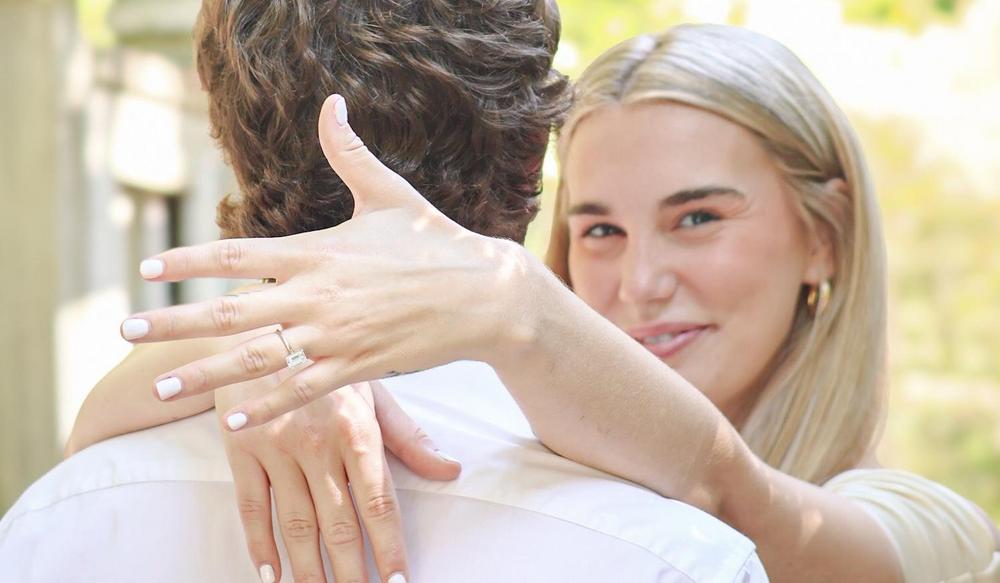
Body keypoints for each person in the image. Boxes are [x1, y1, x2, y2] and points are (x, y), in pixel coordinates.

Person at [100, 24, 1000, 583]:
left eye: (696, 218)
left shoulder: (934, 531)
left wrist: (513, 297)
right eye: (599, 229)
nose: (639, 281)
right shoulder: (514, 452)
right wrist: (284, 353)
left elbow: (734, 498)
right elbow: (86, 435)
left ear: (825, 236)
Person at [0, 4, 767, 583]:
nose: (642, 282)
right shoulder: (675, 551)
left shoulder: (53, 520)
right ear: (535, 147)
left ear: (229, 139)